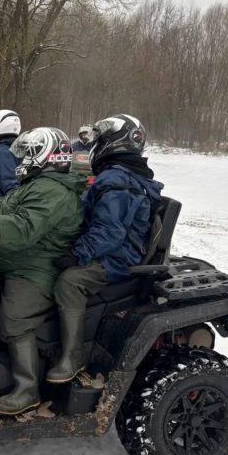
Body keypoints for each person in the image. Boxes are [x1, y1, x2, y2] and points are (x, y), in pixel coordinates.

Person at [0, 127, 86, 416]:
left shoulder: (53, 191)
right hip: (18, 260)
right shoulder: (38, 183)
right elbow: (6, 204)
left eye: (28, 153)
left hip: (36, 269)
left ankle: (26, 389)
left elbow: (21, 229)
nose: (22, 159)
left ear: (46, 155)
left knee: (15, 317)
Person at [49, 114, 163, 383]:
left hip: (119, 258)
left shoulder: (117, 179)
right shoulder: (118, 174)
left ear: (117, 141)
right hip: (115, 250)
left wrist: (77, 254)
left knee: (69, 281)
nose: (95, 144)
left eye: (101, 138)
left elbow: (109, 231)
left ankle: (73, 357)